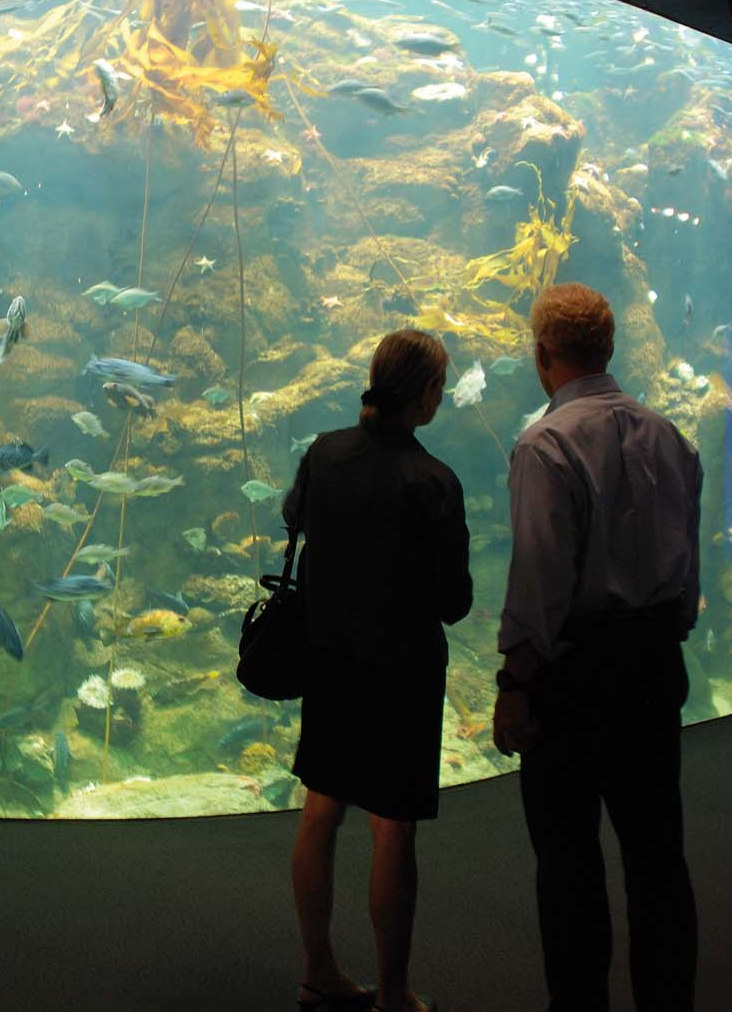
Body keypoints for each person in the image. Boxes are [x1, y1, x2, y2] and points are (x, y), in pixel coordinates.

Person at [492, 283, 702, 1012]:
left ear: (541, 353)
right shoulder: (669, 435)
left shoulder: (543, 444)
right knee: (657, 857)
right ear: (608, 349)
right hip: (651, 667)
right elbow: (685, 578)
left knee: (569, 862)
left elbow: (539, 583)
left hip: (573, 677)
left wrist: (514, 680)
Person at [282, 329, 472, 1012]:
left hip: (329, 662)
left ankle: (317, 968)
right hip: (401, 674)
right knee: (391, 826)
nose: (441, 397)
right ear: (422, 394)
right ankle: (393, 992)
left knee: (321, 808)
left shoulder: (323, 454)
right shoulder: (432, 481)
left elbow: (293, 521)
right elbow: (455, 603)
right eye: (439, 385)